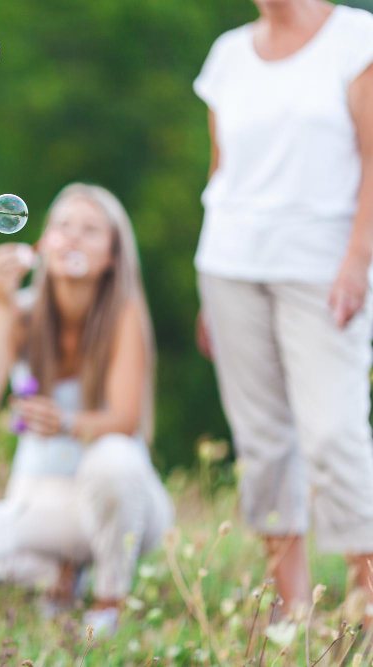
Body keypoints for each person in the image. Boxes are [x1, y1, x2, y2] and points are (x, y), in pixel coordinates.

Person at [192, 0, 373, 618]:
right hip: (229, 266)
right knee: (263, 442)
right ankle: (290, 614)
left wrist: (357, 261)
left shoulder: (358, 40)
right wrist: (207, 293)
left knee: (334, 433)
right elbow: (222, 172)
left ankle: (367, 600)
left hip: (321, 268)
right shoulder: (228, 54)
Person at [0, 183, 174, 635]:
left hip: (128, 505)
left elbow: (125, 420)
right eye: (63, 226)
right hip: (44, 502)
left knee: (114, 457)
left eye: (90, 230)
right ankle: (62, 577)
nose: (73, 237)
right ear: (42, 245)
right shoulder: (22, 313)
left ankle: (111, 597)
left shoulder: (124, 314)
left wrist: (66, 422)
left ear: (111, 256)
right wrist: (1, 304)